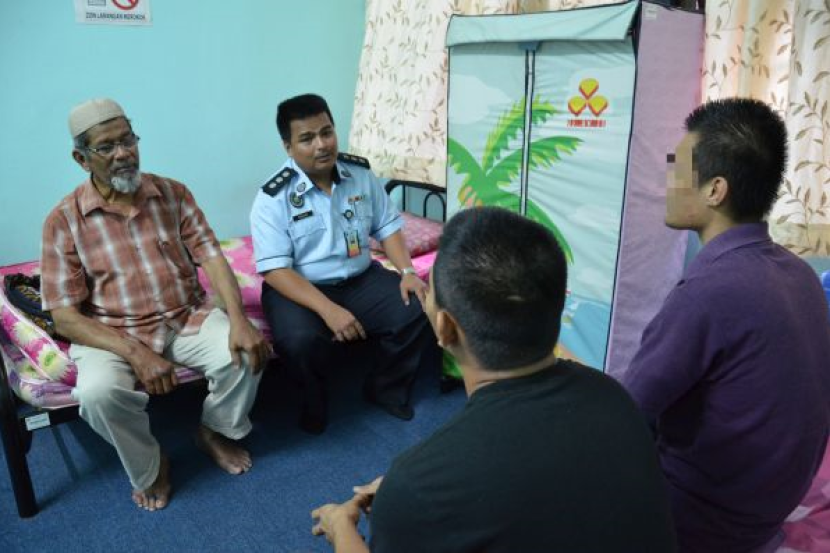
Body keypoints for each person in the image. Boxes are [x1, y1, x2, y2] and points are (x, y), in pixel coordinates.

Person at [310, 207, 677, 552]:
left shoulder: (419, 486)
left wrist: (341, 526)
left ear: (445, 327)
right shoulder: (615, 397)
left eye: (430, 296)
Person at [619, 98, 830, 552]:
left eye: (677, 171)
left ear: (715, 190)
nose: (667, 183)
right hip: (767, 511)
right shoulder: (800, 275)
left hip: (704, 524)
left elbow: (626, 410)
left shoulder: (708, 291)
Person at [41, 98, 271, 512]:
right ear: (81, 159)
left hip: (184, 316)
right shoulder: (63, 220)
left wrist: (239, 319)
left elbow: (212, 257)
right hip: (113, 332)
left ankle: (214, 431)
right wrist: (136, 353)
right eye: (106, 147)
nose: (123, 153)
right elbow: (64, 317)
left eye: (128, 140)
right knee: (96, 394)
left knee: (244, 352)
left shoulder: (172, 193)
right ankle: (151, 464)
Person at [250, 94, 436, 434]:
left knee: (416, 307)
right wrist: (328, 310)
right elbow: (275, 270)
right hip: (300, 287)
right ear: (288, 147)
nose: (321, 144)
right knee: (299, 342)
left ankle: (385, 388)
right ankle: (314, 400)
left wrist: (408, 272)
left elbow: (387, 226)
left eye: (327, 132)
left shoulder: (360, 175)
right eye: (307, 138)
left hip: (360, 279)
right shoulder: (273, 197)